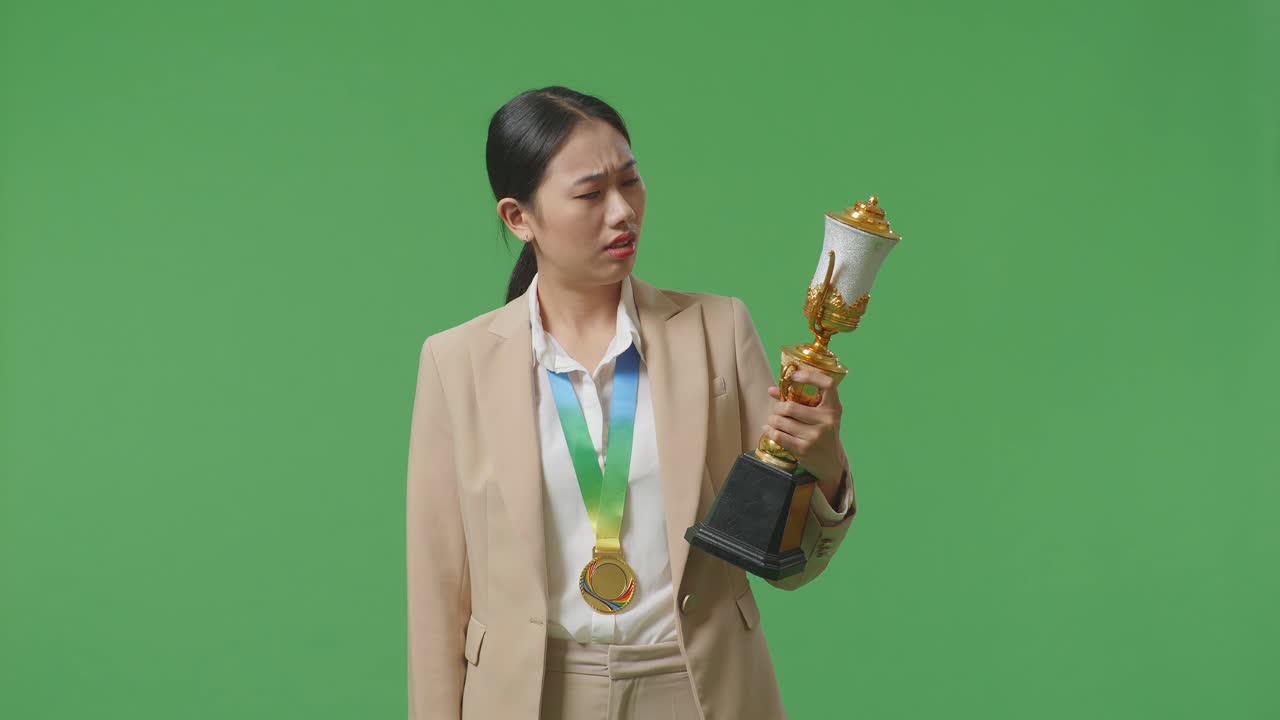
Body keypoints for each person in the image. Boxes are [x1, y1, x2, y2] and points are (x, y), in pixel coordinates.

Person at [406, 85, 857, 720]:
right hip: (527, 695)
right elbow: (437, 594)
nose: (623, 212)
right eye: (591, 193)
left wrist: (826, 457)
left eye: (631, 182)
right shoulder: (456, 363)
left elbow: (788, 566)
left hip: (697, 687)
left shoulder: (718, 332)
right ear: (518, 217)